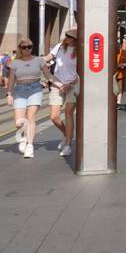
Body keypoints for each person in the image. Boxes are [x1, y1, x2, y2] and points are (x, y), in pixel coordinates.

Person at [6, 38, 46, 159]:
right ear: (20, 49)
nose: (27, 49)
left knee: (31, 117)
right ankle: (24, 137)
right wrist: (9, 93)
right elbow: (12, 79)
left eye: (29, 47)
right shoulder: (15, 63)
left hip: (35, 89)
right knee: (19, 123)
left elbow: (48, 74)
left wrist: (57, 82)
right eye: (24, 47)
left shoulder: (39, 60)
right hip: (20, 90)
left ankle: (30, 145)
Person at [45, 29, 81, 157]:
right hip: (57, 83)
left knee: (68, 114)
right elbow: (48, 57)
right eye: (66, 35)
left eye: (70, 36)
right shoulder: (59, 47)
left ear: (76, 39)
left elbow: (80, 72)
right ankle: (67, 134)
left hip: (73, 84)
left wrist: (69, 85)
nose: (66, 38)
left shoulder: (79, 51)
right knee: (54, 117)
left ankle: (67, 145)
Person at [114, 36, 126, 109]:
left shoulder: (124, 52)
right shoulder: (112, 53)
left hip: (122, 74)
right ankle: (114, 102)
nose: (118, 48)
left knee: (120, 88)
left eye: (118, 46)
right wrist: (118, 65)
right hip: (114, 74)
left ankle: (118, 103)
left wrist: (125, 64)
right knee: (114, 89)